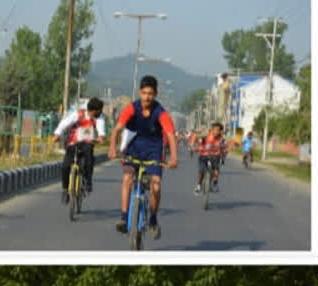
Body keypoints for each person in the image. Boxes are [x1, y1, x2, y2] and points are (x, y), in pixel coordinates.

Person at [108, 75, 177, 238]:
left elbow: (170, 135)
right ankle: (124, 218)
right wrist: (112, 148)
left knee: (156, 185)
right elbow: (117, 129)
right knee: (127, 179)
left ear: (156, 94)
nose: (147, 97)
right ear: (140, 92)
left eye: (151, 93)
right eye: (144, 93)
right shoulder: (131, 108)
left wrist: (173, 157)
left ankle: (153, 219)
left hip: (154, 149)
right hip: (134, 147)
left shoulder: (161, 113)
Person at [53, 97, 105, 202]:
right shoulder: (79, 114)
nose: (100, 113)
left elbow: (101, 129)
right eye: (99, 111)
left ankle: (87, 180)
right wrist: (57, 134)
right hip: (73, 142)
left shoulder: (99, 118)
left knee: (89, 158)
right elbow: (65, 123)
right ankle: (65, 190)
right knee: (65, 166)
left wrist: (101, 136)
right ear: (93, 110)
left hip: (87, 143)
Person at [193, 122, 228, 194]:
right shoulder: (205, 135)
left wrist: (225, 150)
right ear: (212, 130)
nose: (216, 131)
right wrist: (194, 147)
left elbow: (226, 146)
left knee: (216, 169)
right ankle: (198, 186)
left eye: (218, 130)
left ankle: (215, 183)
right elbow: (197, 139)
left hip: (215, 156)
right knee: (201, 170)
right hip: (203, 155)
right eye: (214, 129)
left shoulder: (222, 139)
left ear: (220, 131)